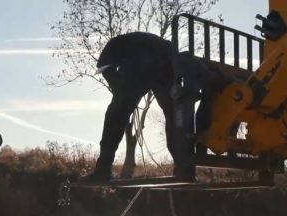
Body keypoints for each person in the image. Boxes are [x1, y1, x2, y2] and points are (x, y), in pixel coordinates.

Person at [81, 32, 223, 183]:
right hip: (166, 57)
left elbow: (108, 73)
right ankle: (185, 170)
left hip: (145, 60)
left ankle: (102, 170)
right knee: (175, 116)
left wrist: (122, 97)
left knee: (115, 117)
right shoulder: (124, 44)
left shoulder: (112, 51)